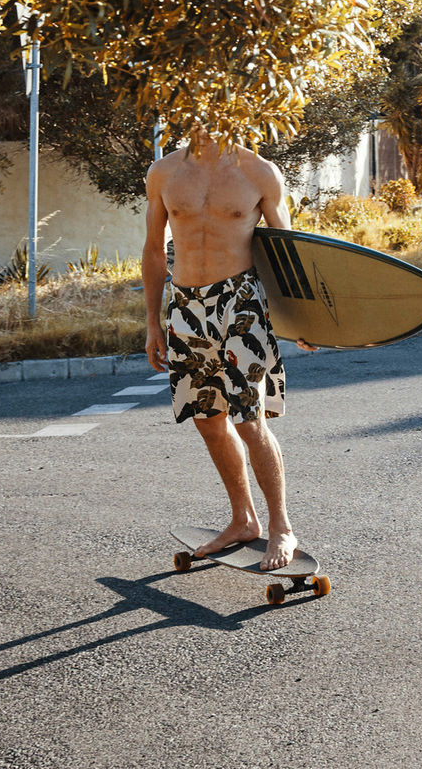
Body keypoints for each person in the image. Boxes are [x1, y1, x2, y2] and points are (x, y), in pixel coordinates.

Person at [142, 130, 315, 570]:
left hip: (241, 305)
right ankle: (243, 519)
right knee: (208, 420)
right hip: (185, 307)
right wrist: (152, 323)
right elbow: (153, 252)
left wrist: (302, 320)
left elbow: (287, 253)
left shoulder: (259, 172)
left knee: (249, 420)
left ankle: (282, 527)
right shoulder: (164, 172)